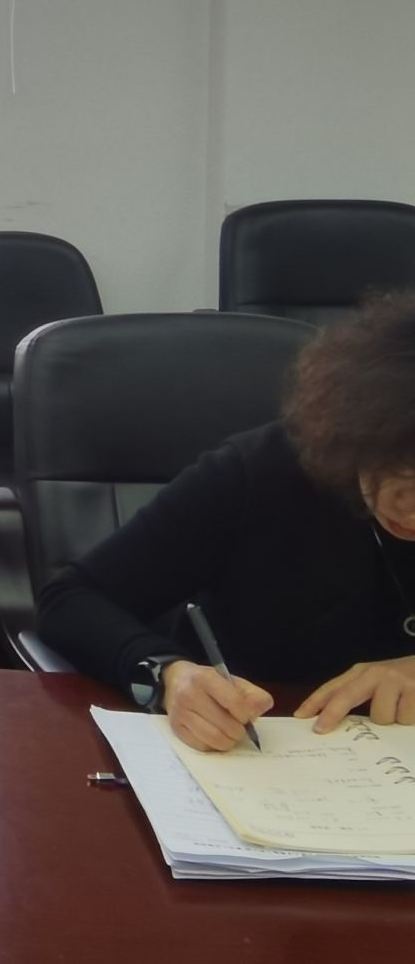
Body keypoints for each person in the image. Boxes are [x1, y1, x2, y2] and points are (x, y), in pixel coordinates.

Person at [36, 294, 415, 752]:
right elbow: (70, 600)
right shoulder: (260, 473)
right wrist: (168, 674)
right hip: (255, 747)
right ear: (356, 436)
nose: (411, 514)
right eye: (403, 481)